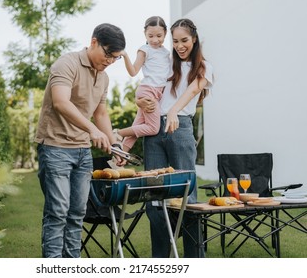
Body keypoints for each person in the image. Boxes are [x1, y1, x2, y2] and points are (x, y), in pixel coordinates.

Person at [34, 23, 126, 258]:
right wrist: (92, 131)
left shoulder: (103, 77)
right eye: (108, 54)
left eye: (115, 58)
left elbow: (101, 114)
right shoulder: (67, 64)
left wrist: (114, 144)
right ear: (94, 42)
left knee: (77, 214)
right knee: (57, 212)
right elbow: (61, 102)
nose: (110, 61)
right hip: (55, 148)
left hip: (82, 152)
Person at [138, 18, 214, 258]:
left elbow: (193, 90)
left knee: (187, 197)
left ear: (194, 39)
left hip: (180, 129)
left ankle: (194, 260)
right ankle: (160, 261)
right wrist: (139, 100)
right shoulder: (166, 63)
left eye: (184, 41)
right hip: (153, 130)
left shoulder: (203, 66)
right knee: (155, 197)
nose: (180, 46)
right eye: (176, 41)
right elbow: (148, 85)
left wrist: (173, 111)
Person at [114, 16, 171, 152]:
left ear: (165, 33)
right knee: (152, 128)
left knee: (137, 126)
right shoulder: (144, 50)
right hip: (148, 91)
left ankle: (120, 156)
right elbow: (133, 72)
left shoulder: (166, 53)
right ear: (144, 33)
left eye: (159, 35)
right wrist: (126, 56)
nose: (155, 40)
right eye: (150, 36)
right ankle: (117, 133)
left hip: (156, 93)